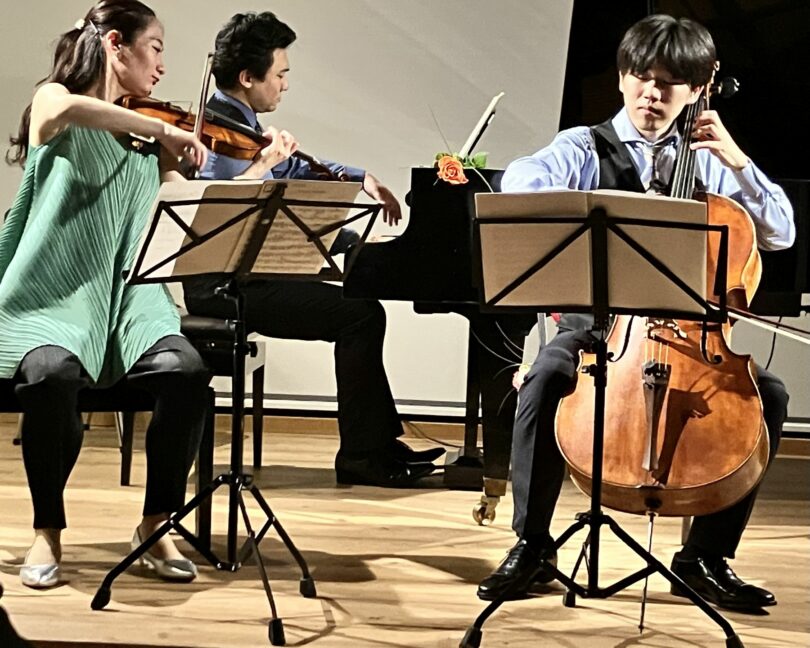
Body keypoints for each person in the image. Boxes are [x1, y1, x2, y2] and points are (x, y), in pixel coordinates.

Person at [476, 14, 793, 613]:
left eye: (669, 82)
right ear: (622, 78)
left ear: (696, 90)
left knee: (767, 395)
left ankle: (704, 558)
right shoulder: (583, 146)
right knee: (543, 379)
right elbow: (518, 183)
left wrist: (738, 161)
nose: (651, 92)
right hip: (596, 333)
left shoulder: (709, 161)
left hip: (691, 339)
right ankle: (532, 545)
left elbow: (780, 232)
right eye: (641, 77)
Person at [0, 0, 250, 589]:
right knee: (51, 376)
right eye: (155, 47)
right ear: (116, 44)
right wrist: (161, 128)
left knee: (188, 374)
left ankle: (156, 523)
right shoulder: (56, 104)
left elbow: (187, 210)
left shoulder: (148, 141)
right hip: (53, 296)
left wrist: (255, 168)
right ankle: (47, 529)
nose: (162, 65)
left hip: (132, 301)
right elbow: (58, 110)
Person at [182, 11, 444, 488]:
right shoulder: (215, 134)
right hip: (221, 286)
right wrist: (265, 163)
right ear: (248, 77)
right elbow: (220, 210)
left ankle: (378, 447)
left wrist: (359, 177)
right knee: (360, 315)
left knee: (363, 309)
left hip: (252, 276)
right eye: (280, 74)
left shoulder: (243, 126)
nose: (285, 85)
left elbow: (297, 173)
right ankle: (364, 455)